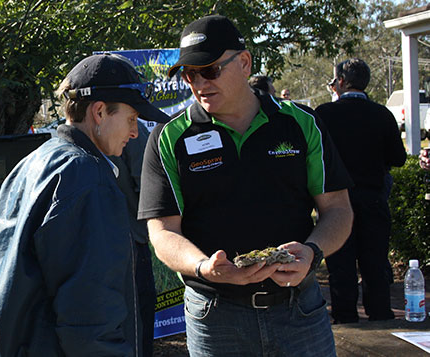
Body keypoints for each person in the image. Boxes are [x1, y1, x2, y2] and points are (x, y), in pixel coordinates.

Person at [138, 15, 353, 356]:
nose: (198, 83)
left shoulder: (301, 124)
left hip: (299, 311)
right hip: (215, 315)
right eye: (189, 74)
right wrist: (203, 266)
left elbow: (339, 210)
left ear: (244, 63)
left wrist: (311, 253)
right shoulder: (169, 138)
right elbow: (162, 232)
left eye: (209, 70)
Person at [0, 53, 169, 356]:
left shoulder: (30, 163)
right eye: (130, 119)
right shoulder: (89, 179)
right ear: (99, 112)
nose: (133, 131)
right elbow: (90, 319)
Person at [316, 58, 406, 324]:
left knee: (340, 264)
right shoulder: (382, 114)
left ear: (340, 82)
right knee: (375, 261)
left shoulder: (324, 114)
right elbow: (398, 158)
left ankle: (344, 316)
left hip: (334, 201)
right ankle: (380, 315)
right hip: (373, 197)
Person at [108, 120, 156, 357]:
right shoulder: (127, 129)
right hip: (132, 248)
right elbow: (149, 188)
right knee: (137, 336)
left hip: (105, 247)